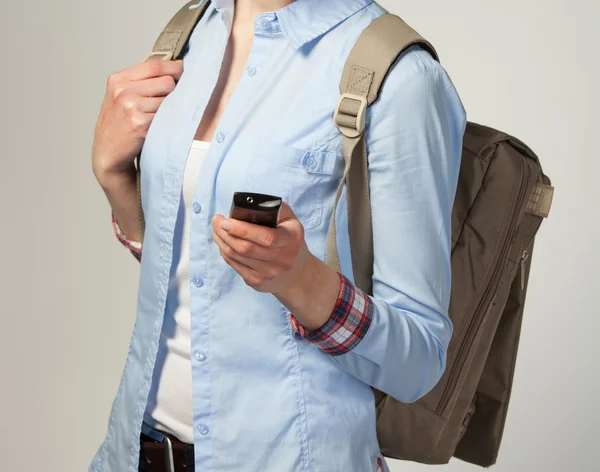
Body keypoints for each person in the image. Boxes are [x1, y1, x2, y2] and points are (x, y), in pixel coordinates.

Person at [89, 0, 466, 471]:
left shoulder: (397, 75)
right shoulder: (188, 34)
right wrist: (115, 178)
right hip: (130, 453)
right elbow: (191, 277)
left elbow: (420, 363)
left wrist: (303, 282)